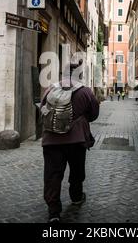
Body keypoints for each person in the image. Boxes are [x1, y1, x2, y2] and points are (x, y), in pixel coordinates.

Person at [40, 61, 100, 223]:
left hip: (51, 141)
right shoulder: (85, 91)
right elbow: (94, 114)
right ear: (79, 75)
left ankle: (53, 212)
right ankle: (76, 196)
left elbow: (43, 109)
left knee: (52, 175)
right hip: (76, 140)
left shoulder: (51, 89)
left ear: (62, 74)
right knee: (77, 171)